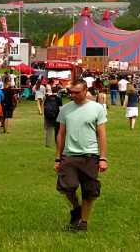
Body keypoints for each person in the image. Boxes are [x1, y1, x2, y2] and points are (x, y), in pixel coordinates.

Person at [54, 79, 108, 232]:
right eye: (71, 92)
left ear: (85, 91)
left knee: (89, 189)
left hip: (90, 154)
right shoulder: (65, 109)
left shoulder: (97, 108)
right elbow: (61, 134)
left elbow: (102, 134)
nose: (73, 95)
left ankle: (83, 222)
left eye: (77, 92)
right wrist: (58, 158)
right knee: (66, 187)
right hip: (69, 155)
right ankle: (76, 208)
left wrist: (103, 158)